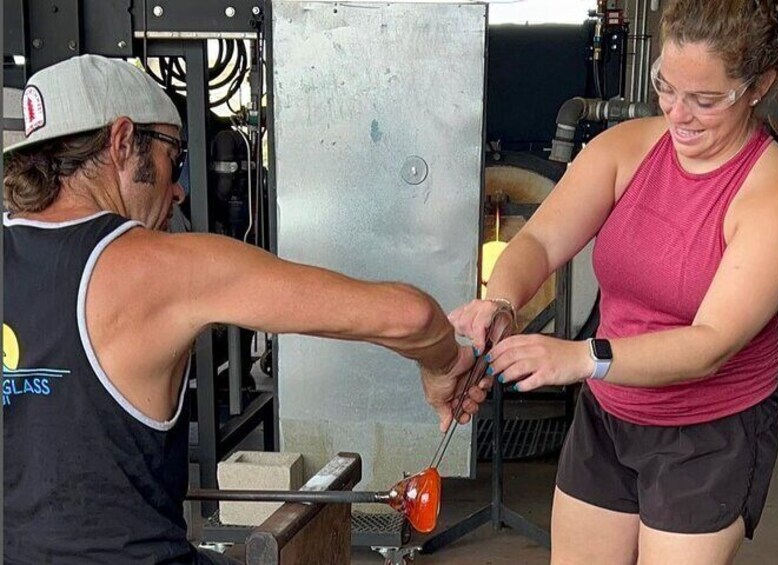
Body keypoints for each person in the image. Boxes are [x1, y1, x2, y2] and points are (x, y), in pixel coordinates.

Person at [3, 54, 484, 564]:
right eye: (173, 157)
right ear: (123, 142)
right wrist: (443, 367)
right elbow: (410, 317)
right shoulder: (161, 268)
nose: (177, 188)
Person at [449, 1, 778, 563]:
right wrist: (500, 300)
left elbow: (710, 344)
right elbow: (540, 241)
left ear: (758, 86)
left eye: (705, 100)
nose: (678, 114)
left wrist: (581, 358)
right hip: (610, 412)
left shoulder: (776, 195)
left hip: (708, 431)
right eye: (666, 87)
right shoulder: (626, 148)